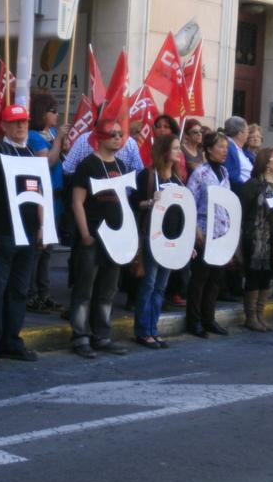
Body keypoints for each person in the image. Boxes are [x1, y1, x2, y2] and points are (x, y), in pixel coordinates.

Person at [0, 104, 43, 365]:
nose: (21, 126)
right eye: (14, 122)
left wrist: (42, 228)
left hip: (27, 234)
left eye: (24, 121)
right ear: (3, 126)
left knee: (19, 291)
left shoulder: (32, 155)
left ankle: (11, 342)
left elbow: (38, 195)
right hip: (2, 233)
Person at [69, 117, 131, 359]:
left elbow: (124, 203)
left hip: (115, 240)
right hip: (93, 236)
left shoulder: (122, 166)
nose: (117, 138)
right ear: (100, 137)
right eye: (112, 134)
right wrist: (85, 233)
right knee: (84, 289)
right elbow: (77, 201)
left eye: (119, 134)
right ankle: (80, 337)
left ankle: (102, 335)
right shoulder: (88, 165)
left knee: (107, 290)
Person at [132, 134, 187, 347]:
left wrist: (186, 241)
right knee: (149, 284)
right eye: (175, 148)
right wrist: (149, 202)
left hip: (171, 238)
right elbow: (134, 203)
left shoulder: (177, 179)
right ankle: (143, 330)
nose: (178, 152)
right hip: (152, 236)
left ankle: (153, 329)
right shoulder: (147, 175)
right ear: (164, 150)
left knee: (161, 287)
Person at [186, 131, 232, 338]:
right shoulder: (200, 173)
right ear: (209, 149)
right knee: (200, 279)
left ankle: (209, 318)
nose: (224, 151)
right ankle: (194, 321)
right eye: (220, 147)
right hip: (204, 230)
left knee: (216, 279)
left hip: (221, 232)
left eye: (226, 147)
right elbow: (190, 202)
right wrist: (195, 230)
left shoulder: (224, 172)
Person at [26, 92, 67, 314]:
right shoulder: (34, 136)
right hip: (43, 195)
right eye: (53, 111)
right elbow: (47, 162)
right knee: (38, 248)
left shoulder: (50, 133)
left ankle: (44, 293)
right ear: (42, 113)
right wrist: (59, 139)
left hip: (56, 196)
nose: (57, 115)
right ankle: (31, 294)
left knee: (48, 249)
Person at [238, 146, 273, 331]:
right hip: (256, 238)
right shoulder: (252, 185)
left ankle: (260, 315)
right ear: (266, 164)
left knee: (267, 277)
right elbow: (243, 212)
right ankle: (251, 317)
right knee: (254, 277)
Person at [221, 116, 251, 193]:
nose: (248, 134)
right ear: (239, 134)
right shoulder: (229, 148)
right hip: (240, 194)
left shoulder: (237, 148)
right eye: (247, 131)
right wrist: (248, 189)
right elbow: (232, 176)